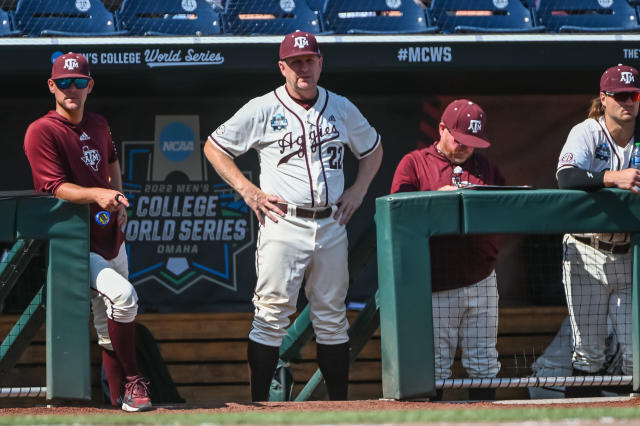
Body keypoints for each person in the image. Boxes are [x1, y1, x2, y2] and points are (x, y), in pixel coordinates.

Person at [204, 31, 382, 401]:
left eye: (310, 60)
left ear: (320, 63)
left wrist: (359, 189)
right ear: (282, 67)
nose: (304, 68)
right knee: (270, 317)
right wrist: (248, 191)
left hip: (332, 222)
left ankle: (339, 410)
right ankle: (258, 406)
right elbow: (215, 147)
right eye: (296, 62)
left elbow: (373, 149)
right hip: (284, 222)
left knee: (332, 318)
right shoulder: (263, 108)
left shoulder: (342, 107)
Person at [23, 53, 151, 412]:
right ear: (52, 86)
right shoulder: (42, 130)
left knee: (109, 320)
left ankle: (119, 404)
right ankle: (132, 382)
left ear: (89, 85)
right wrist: (98, 194)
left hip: (110, 235)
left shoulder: (98, 123)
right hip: (72, 238)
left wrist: (119, 198)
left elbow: (110, 160)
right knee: (124, 297)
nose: (72, 89)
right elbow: (53, 188)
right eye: (64, 82)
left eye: (79, 82)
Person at [390, 99, 504, 401]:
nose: (466, 147)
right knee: (436, 367)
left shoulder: (485, 166)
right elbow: (396, 212)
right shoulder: (415, 162)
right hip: (435, 283)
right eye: (460, 140)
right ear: (441, 129)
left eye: (473, 142)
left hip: (481, 278)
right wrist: (433, 198)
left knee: (483, 363)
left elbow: (507, 206)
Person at [556, 64, 639, 397]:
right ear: (603, 99)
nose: (627, 102)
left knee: (636, 356)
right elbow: (566, 177)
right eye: (618, 96)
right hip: (586, 252)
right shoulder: (587, 131)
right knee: (588, 353)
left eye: (632, 95)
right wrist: (611, 178)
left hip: (629, 255)